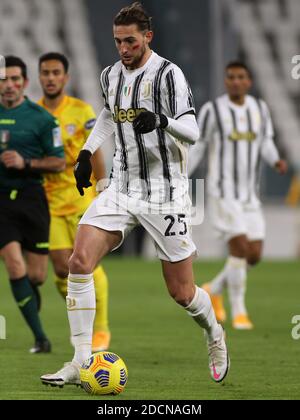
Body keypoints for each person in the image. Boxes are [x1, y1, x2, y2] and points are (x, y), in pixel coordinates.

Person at [40, 2, 229, 387]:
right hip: (122, 187)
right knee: (79, 261)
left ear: (147, 37)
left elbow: (194, 131)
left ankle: (214, 334)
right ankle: (80, 360)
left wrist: (162, 121)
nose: (123, 49)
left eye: (130, 41)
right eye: (117, 41)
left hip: (164, 192)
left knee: (182, 292)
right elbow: (109, 116)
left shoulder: (168, 75)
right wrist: (86, 153)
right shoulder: (111, 75)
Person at [189, 61, 287, 329]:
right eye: (230, 77)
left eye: (240, 77)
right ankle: (239, 312)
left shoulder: (260, 109)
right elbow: (199, 146)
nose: (235, 81)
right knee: (240, 248)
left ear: (249, 82)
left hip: (249, 195)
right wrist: (183, 174)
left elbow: (265, 141)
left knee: (254, 255)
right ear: (225, 81)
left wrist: (276, 160)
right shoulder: (213, 111)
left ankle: (213, 288)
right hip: (223, 192)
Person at [37, 52, 111, 352]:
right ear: (39, 77)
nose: (51, 77)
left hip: (82, 196)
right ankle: (80, 322)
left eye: (56, 72)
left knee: (85, 263)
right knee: (59, 268)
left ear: (66, 77)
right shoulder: (35, 113)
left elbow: (94, 152)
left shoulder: (81, 111)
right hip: (49, 201)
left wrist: (104, 184)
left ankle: (100, 329)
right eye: (46, 72)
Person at [0, 55, 65, 352]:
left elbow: (59, 162)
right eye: (3, 79)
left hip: (32, 199)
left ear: (25, 83)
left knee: (36, 275)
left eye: (15, 79)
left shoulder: (42, 119)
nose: (9, 85)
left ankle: (27, 292)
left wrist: (25, 162)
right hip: (2, 201)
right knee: (14, 265)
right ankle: (41, 338)